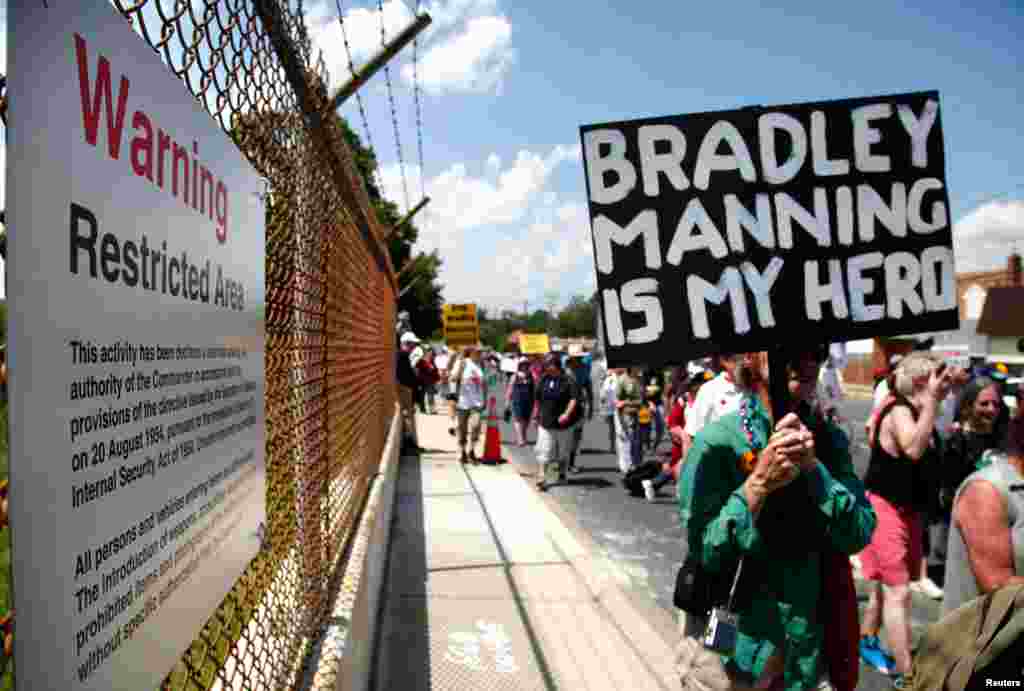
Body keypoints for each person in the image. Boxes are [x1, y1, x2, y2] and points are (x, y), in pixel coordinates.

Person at [677, 347, 876, 691]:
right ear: (752, 358)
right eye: (792, 346)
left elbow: (858, 533)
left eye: (818, 347)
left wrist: (815, 471)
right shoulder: (718, 443)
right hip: (735, 646)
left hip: (808, 652)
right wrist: (757, 484)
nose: (808, 359)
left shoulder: (829, 440)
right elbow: (707, 551)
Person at [857, 353, 953, 684]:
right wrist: (930, 404)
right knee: (898, 592)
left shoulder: (912, 408)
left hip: (905, 509)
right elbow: (913, 448)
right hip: (885, 508)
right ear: (919, 383)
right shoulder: (900, 409)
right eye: (934, 379)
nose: (941, 386)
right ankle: (906, 672)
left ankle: (866, 638)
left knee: (884, 586)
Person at [942, 391, 1024, 615]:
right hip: (987, 644)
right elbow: (998, 584)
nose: (990, 409)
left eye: (995, 405)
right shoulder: (987, 490)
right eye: (984, 403)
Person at [532, 353, 578, 491]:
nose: (547, 368)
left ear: (556, 365)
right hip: (546, 422)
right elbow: (538, 399)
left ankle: (562, 473)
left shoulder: (568, 380)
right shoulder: (543, 379)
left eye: (549, 365)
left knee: (563, 451)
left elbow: (573, 399)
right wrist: (535, 415)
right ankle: (542, 477)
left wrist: (566, 413)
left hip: (564, 424)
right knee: (544, 450)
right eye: (546, 365)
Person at [454, 347, 488, 463]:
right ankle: (463, 451)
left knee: (476, 425)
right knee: (462, 429)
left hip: (477, 402)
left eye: (480, 352)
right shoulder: (462, 363)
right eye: (477, 352)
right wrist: (459, 372)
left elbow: (484, 384)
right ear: (471, 352)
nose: (479, 354)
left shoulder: (481, 365)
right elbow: (452, 378)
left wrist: (485, 399)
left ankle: (471, 450)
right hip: (463, 402)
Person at [615, 367, 644, 473]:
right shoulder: (622, 380)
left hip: (639, 414)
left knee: (638, 441)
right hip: (626, 415)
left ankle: (636, 464)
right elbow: (618, 402)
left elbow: (642, 398)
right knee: (628, 440)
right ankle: (628, 466)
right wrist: (627, 403)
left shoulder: (639, 379)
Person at [396, 335, 420, 452]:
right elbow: (406, 376)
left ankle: (408, 442)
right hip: (404, 389)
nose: (413, 347)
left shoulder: (401, 355)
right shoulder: (402, 355)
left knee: (407, 416)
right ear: (405, 343)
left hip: (405, 389)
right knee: (407, 417)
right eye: (412, 344)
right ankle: (408, 443)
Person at [505, 360, 535, 447]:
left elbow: (534, 388)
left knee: (526, 420)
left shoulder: (531, 375)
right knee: (518, 419)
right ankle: (520, 438)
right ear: (519, 365)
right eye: (523, 364)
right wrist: (507, 401)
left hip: (529, 401)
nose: (525, 366)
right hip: (517, 400)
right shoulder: (514, 376)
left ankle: (523, 435)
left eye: (526, 364)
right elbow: (509, 389)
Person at [599, 368, 619, 453]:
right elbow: (602, 393)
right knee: (612, 428)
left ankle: (618, 446)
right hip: (609, 405)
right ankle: (612, 446)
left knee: (619, 427)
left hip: (619, 404)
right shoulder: (607, 376)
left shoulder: (619, 376)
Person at [415, 349, 441, 414]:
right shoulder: (421, 361)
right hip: (422, 381)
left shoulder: (432, 361)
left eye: (432, 354)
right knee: (421, 396)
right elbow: (417, 369)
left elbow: (435, 371)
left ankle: (432, 410)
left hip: (430, 381)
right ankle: (422, 409)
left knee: (431, 395)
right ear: (426, 353)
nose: (431, 355)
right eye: (430, 353)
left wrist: (437, 379)